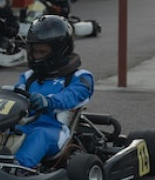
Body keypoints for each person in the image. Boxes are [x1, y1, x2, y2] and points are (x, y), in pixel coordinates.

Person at [12, 14, 94, 170]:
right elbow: (17, 93)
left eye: (42, 52)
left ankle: (19, 169)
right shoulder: (29, 77)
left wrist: (48, 102)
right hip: (25, 125)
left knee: (39, 135)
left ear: (59, 52)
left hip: (55, 132)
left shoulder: (80, 78)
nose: (36, 57)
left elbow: (70, 97)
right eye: (34, 51)